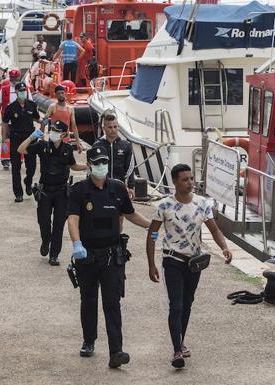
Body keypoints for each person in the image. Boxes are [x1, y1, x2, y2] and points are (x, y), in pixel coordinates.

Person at [67, 146, 150, 368]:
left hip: (112, 255)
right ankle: (89, 340)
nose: (101, 166)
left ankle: (116, 351)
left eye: (104, 162)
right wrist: (76, 243)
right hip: (86, 255)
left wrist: (152, 227)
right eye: (97, 162)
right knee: (89, 300)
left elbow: (130, 213)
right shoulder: (79, 190)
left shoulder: (117, 188)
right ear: (90, 164)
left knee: (112, 302)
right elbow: (73, 219)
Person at [145, 163, 232, 368]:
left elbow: (214, 229)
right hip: (172, 260)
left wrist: (224, 247)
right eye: (185, 179)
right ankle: (177, 351)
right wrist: (151, 263)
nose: (190, 183)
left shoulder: (202, 203)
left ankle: (181, 341)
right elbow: (153, 234)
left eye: (191, 178)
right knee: (175, 305)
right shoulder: (164, 206)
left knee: (187, 304)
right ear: (175, 182)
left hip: (194, 262)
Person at [18, 120, 87, 265]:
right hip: (45, 192)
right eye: (52, 130)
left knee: (59, 224)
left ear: (63, 135)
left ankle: (54, 255)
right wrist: (32, 137)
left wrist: (88, 167)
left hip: (62, 191)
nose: (53, 133)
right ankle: (45, 241)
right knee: (43, 221)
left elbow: (73, 166)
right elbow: (21, 150)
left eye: (56, 131)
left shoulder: (67, 149)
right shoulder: (43, 146)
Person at [1, 82, 39, 202]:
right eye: (20, 91)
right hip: (16, 138)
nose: (22, 93)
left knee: (32, 166)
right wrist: (4, 139)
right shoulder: (11, 107)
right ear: (16, 92)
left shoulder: (32, 105)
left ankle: (28, 182)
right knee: (16, 167)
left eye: (24, 90)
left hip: (30, 139)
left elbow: (37, 118)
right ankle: (18, 193)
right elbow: (5, 123)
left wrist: (44, 122)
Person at [93, 110, 135, 199]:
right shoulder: (97, 145)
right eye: (110, 127)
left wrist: (131, 186)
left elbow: (130, 168)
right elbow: (91, 168)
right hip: (101, 187)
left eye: (115, 127)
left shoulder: (126, 145)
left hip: (120, 186)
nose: (113, 130)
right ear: (104, 128)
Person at [0, 69, 28, 170]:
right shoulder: (4, 89)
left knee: (20, 140)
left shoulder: (24, 89)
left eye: (15, 78)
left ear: (19, 78)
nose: (14, 80)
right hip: (7, 121)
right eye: (12, 78)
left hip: (21, 121)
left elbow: (30, 103)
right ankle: (5, 160)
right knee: (5, 140)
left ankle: (19, 158)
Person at [42, 85, 83, 152]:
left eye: (62, 93)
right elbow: (44, 121)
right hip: (54, 139)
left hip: (66, 139)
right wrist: (42, 137)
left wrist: (78, 142)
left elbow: (74, 126)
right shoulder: (52, 107)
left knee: (67, 160)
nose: (61, 95)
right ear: (55, 95)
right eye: (58, 94)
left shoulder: (70, 108)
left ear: (65, 94)